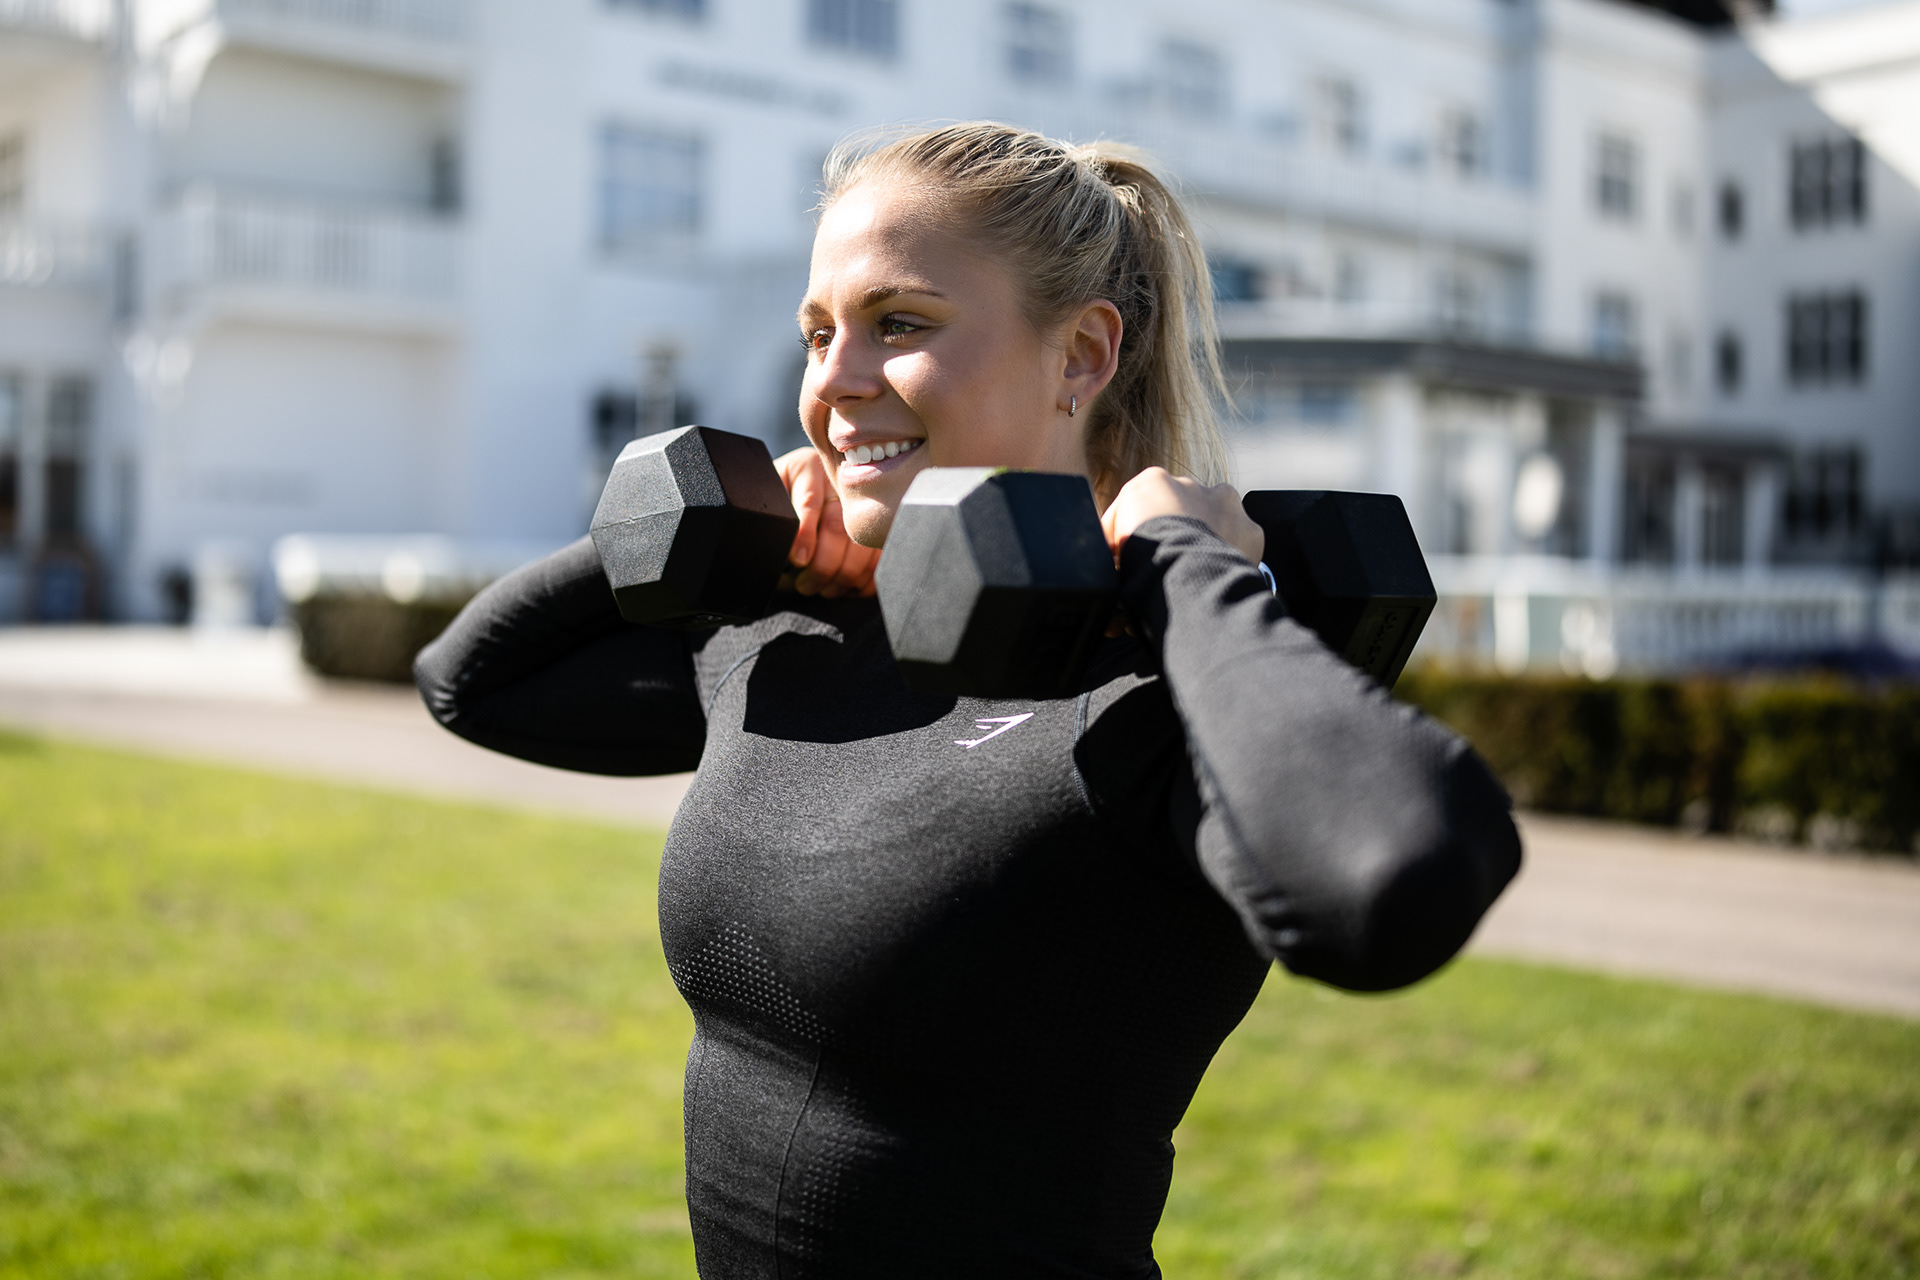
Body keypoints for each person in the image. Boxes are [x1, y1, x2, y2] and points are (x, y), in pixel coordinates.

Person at [415, 123, 1521, 1279]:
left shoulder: (1157, 689)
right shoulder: (795, 631)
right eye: (817, 333)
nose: (834, 383)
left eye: (899, 324)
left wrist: (1187, 564)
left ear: (1081, 357)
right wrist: (728, 543)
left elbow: (1400, 873)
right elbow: (473, 682)